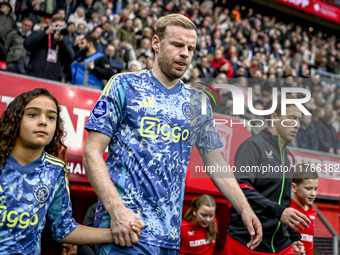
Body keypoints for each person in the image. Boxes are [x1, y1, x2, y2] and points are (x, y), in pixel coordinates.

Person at [83, 14, 262, 255]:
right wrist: (116, 210)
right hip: (125, 233)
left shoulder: (198, 102)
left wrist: (245, 207)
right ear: (156, 43)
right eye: (178, 45)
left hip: (169, 240)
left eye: (191, 48)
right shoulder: (123, 85)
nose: (185, 53)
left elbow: (215, 161)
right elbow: (91, 152)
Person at [0, 88, 144, 254]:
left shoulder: (55, 170)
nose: (43, 122)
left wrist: (118, 233)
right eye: (33, 114)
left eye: (51, 117)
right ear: (15, 119)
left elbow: (63, 229)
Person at [224, 96, 311, 255]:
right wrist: (278, 211)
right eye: (291, 118)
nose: (297, 125)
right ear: (275, 117)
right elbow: (241, 188)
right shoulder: (252, 146)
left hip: (281, 246)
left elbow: (283, 201)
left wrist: (294, 237)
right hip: (248, 242)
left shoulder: (289, 156)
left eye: (299, 119)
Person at [24, 14, 75, 81]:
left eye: (62, 27)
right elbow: (27, 44)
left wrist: (60, 42)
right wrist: (46, 33)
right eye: (58, 26)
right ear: (51, 24)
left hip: (53, 79)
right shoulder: (38, 33)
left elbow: (71, 58)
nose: (59, 28)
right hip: (34, 76)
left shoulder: (65, 40)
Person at [291, 164, 319, 255]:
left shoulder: (314, 211)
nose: (313, 193)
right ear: (294, 187)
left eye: (315, 189)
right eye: (308, 189)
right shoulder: (287, 209)